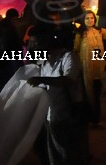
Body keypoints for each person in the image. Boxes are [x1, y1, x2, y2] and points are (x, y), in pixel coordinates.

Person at [26, 30, 87, 165]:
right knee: (53, 152)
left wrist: (41, 79)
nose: (34, 48)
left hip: (68, 114)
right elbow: (42, 86)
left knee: (69, 152)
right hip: (51, 115)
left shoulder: (69, 57)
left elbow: (67, 80)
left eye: (36, 45)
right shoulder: (45, 61)